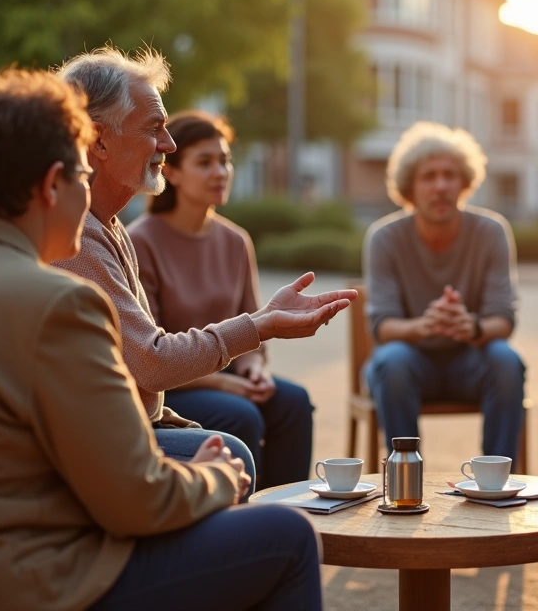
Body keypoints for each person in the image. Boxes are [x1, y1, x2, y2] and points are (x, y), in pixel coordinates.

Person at [0, 69, 322, 611]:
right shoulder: (56, 303)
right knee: (287, 536)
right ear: (50, 184)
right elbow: (138, 502)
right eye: (83, 175)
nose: (87, 199)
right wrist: (216, 479)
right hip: (36, 585)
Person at [51, 47, 353, 491]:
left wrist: (254, 352)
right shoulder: (78, 235)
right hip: (95, 448)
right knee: (238, 443)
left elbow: (139, 379)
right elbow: (152, 363)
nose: (167, 146)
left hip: (129, 425)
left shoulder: (110, 226)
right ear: (97, 140)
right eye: (155, 129)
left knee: (287, 406)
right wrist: (262, 325)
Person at [129, 111, 314, 489]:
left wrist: (254, 368)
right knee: (242, 414)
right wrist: (227, 385)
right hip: (173, 386)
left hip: (229, 373)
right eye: (205, 162)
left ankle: (291, 516)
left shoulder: (235, 240)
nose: (221, 172)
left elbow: (253, 320)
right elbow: (151, 354)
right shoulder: (140, 242)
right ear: (172, 172)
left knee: (294, 402)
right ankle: (246, 527)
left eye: (225, 160)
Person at [363, 121, 526, 463]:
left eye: (450, 175)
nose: (440, 186)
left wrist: (473, 327)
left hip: (471, 360)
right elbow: (383, 327)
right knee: (391, 361)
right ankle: (404, 482)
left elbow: (504, 319)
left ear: (464, 182)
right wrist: (426, 325)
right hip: (409, 362)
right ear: (410, 185)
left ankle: (496, 482)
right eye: (429, 176)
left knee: (507, 361)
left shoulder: (491, 231)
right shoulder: (384, 238)